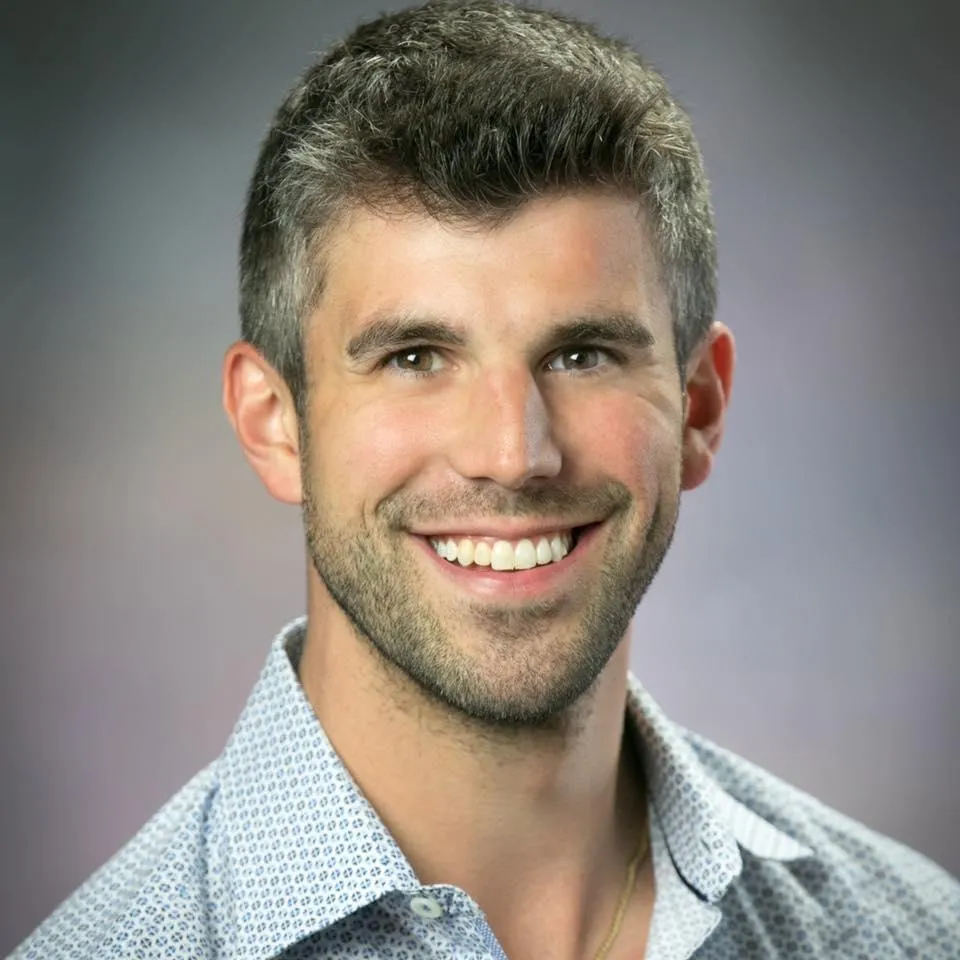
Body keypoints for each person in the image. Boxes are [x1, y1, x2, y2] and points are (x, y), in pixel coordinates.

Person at [14, 1, 959, 957]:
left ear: (699, 409)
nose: (513, 454)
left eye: (583, 355)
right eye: (416, 358)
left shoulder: (911, 935)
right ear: (274, 423)